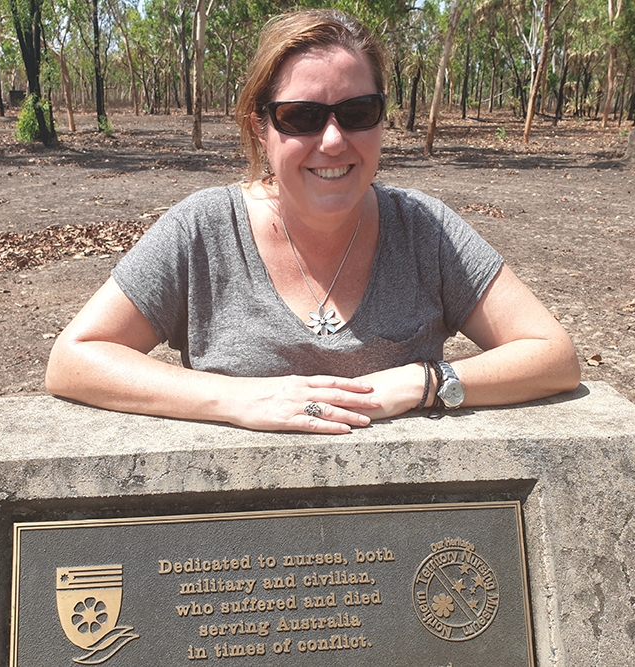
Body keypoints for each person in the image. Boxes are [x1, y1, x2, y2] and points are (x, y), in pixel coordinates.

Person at [45, 9, 580, 434]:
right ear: (260, 129)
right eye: (301, 116)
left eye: (357, 112)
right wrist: (238, 398)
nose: (332, 140)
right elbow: (75, 359)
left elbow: (553, 355)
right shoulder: (203, 230)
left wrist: (426, 382)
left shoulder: (424, 229)